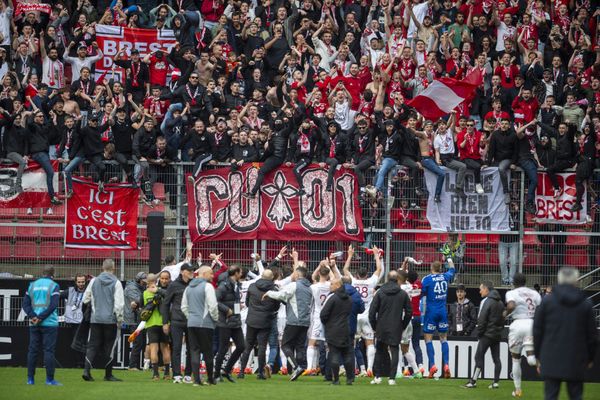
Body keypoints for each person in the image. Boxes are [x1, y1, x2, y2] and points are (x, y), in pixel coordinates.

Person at [533, 267, 598, 400]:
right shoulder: (585, 304)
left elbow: (538, 331)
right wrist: (590, 358)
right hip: (577, 358)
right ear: (576, 281)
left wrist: (538, 356)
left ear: (559, 280)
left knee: (550, 396)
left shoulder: (547, 302)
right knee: (576, 395)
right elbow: (592, 335)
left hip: (550, 357)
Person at [263, 260, 313, 381]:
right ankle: (301, 366)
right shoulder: (309, 288)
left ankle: (296, 367)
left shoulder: (294, 285)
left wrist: (269, 293)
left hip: (294, 321)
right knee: (300, 346)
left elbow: (282, 295)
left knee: (285, 345)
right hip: (306, 321)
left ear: (297, 274)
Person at [82, 259, 124, 382]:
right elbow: (119, 305)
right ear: (114, 268)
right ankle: (108, 374)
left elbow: (85, 299)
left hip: (96, 319)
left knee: (92, 346)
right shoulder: (116, 283)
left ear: (102, 267)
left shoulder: (93, 281)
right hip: (110, 320)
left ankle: (86, 371)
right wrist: (120, 320)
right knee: (109, 347)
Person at [342, 245, 382, 377]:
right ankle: (369, 369)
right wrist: (376, 254)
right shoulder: (371, 282)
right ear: (366, 275)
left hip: (354, 316)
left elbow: (345, 269)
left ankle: (352, 369)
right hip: (367, 316)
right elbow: (379, 269)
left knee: (352, 344)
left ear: (357, 274)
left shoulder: (352, 282)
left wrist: (350, 255)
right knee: (369, 342)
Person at [368, 270, 412, 386]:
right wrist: (402, 325)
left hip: (381, 326)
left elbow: (371, 313)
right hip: (396, 326)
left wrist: (375, 326)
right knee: (394, 350)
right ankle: (392, 378)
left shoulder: (380, 292)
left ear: (387, 279)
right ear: (397, 280)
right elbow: (409, 312)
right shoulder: (402, 294)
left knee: (379, 351)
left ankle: (377, 377)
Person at [22, 265, 61, 386]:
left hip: (34, 323)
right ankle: (49, 380)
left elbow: (25, 304)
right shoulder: (54, 286)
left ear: (42, 273)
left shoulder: (32, 285)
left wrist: (33, 316)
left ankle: (30, 380)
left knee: (32, 350)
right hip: (49, 323)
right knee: (48, 351)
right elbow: (53, 305)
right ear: (53, 274)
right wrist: (40, 317)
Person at [239, 269, 281, 379]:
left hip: (252, 319)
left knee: (248, 346)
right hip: (265, 320)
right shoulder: (274, 289)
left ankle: (241, 371)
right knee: (262, 347)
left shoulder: (252, 286)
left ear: (261, 276)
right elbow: (276, 306)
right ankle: (260, 373)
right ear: (272, 277)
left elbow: (247, 303)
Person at [505, 273, 542, 398]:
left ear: (514, 282)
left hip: (517, 324)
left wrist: (503, 314)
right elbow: (541, 308)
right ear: (525, 282)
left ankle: (518, 390)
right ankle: (539, 363)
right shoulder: (535, 294)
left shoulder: (511, 293)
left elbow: (511, 305)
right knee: (531, 358)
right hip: (531, 323)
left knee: (516, 359)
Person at [182, 266, 219, 386]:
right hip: (205, 324)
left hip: (191, 323)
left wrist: (191, 318)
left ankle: (196, 380)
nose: (213, 276)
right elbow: (212, 306)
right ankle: (210, 379)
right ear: (203, 274)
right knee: (208, 352)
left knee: (194, 351)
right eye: (211, 273)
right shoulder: (208, 287)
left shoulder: (188, 288)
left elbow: (183, 307)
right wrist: (215, 319)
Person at [464, 281, 504, 389]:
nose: (479, 291)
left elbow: (481, 319)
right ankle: (496, 382)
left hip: (486, 335)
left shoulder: (486, 301)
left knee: (478, 357)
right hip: (496, 335)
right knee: (496, 358)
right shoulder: (500, 302)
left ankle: (473, 382)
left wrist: (480, 333)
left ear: (486, 289)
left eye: (481, 288)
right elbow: (503, 318)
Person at [421, 258, 456, 378]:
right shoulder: (445, 277)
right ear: (440, 269)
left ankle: (432, 366)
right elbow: (452, 269)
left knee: (428, 338)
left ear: (431, 268)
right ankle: (446, 365)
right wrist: (449, 258)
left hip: (431, 312)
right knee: (443, 338)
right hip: (442, 312)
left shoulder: (427, 279)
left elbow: (421, 293)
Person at [160, 262, 195, 383]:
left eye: (192, 271)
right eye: (189, 271)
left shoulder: (194, 284)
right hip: (176, 320)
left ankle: (188, 374)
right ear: (182, 272)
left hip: (191, 320)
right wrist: (165, 322)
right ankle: (176, 374)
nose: (191, 273)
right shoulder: (174, 285)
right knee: (176, 347)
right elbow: (165, 304)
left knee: (191, 348)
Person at [215, 265, 246, 383]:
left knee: (241, 346)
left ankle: (226, 370)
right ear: (236, 273)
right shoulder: (224, 286)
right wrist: (226, 310)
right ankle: (217, 374)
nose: (242, 273)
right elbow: (215, 300)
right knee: (223, 348)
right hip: (225, 322)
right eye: (241, 271)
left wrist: (237, 309)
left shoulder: (235, 285)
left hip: (235, 321)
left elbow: (234, 301)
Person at [320, 278, 354, 386]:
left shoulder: (333, 298)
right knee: (347, 355)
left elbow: (323, 314)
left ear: (338, 285)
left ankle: (336, 380)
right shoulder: (349, 298)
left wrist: (328, 324)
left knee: (334, 354)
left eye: (332, 284)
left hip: (333, 329)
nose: (330, 286)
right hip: (346, 329)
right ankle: (349, 379)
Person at [143, 273, 171, 381]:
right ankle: (167, 374)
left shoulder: (145, 293)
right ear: (157, 281)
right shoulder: (161, 291)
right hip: (164, 323)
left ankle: (155, 374)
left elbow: (142, 307)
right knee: (165, 348)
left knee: (154, 349)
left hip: (151, 324)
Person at [123, 272, 146, 371]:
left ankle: (134, 365)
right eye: (143, 282)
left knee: (141, 342)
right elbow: (139, 301)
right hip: (133, 319)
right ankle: (132, 365)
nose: (145, 284)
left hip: (138, 318)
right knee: (138, 342)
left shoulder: (139, 287)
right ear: (139, 280)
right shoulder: (132, 288)